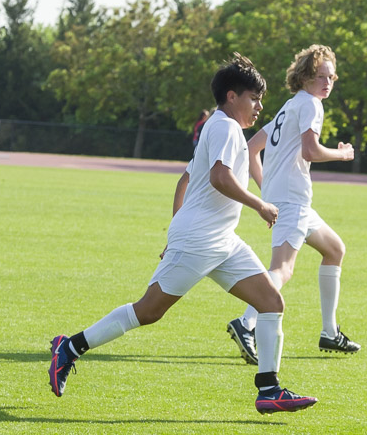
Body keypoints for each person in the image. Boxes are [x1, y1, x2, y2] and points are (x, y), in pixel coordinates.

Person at [48, 54, 317, 414]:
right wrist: (259, 205)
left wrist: (176, 228)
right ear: (232, 96)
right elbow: (220, 179)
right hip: (200, 241)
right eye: (254, 98)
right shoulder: (223, 127)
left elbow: (185, 179)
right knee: (148, 311)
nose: (259, 106)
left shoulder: (225, 129)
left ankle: (269, 389)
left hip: (221, 241)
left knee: (271, 302)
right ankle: (70, 347)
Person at [226, 44, 359, 364]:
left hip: (291, 200)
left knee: (335, 249)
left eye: (331, 76)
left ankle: (329, 332)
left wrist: (268, 191)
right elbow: (311, 151)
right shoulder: (311, 105)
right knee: (282, 269)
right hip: (293, 201)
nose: (327, 82)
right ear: (304, 77)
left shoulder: (290, 106)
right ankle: (246, 323)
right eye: (320, 76)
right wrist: (343, 153)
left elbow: (252, 148)